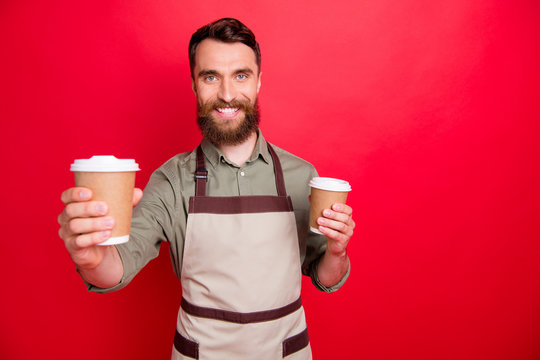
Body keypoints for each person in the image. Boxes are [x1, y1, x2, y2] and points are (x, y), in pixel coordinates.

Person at [57, 18, 355, 359]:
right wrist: (91, 256)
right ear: (194, 85)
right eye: (211, 77)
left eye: (241, 75)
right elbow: (115, 268)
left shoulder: (302, 176)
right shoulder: (171, 180)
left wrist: (337, 251)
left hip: (286, 352)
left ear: (259, 82)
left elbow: (325, 276)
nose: (227, 94)